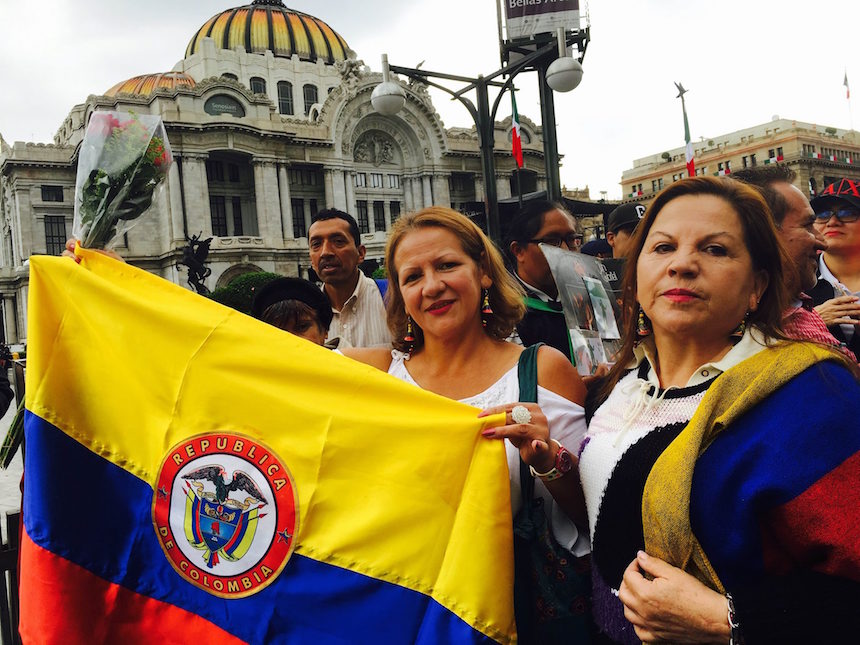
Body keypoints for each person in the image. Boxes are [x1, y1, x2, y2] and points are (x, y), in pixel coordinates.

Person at [579, 177, 860, 643]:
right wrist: (553, 467)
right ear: (636, 274)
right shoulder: (626, 385)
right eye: (663, 247)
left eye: (715, 250)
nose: (683, 264)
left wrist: (729, 620)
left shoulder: (811, 395)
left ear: (758, 285)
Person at [345, 206, 591, 639]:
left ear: (483, 273)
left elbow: (591, 517)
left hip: (512, 615)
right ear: (400, 294)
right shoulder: (374, 376)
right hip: (398, 615)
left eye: (447, 265)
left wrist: (547, 460)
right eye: (413, 276)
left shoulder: (542, 372)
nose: (433, 285)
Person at [731, 166, 855, 359]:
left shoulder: (801, 308)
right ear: (763, 234)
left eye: (848, 213)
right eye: (811, 223)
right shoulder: (725, 342)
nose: (823, 238)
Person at [506, 200, 583, 361]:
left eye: (571, 239)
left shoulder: (587, 298)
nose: (565, 250)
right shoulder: (503, 311)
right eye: (551, 242)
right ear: (519, 251)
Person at [307, 209, 390, 348]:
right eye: (316, 244)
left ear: (360, 253)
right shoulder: (306, 316)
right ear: (311, 260)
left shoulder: (393, 298)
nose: (325, 252)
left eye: (338, 241)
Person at [809, 178, 860, 358]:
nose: (832, 221)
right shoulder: (792, 282)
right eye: (822, 214)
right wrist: (811, 323)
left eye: (847, 212)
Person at [251, 276, 345, 348]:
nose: (293, 340)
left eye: (302, 327)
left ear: (325, 330)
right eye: (279, 332)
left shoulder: (354, 366)